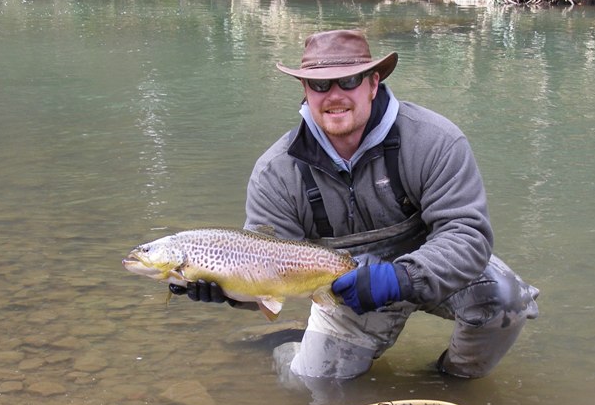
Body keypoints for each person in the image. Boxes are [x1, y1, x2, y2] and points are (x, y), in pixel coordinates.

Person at [174, 29, 539, 380]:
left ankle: (449, 382)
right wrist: (227, 290)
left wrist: (402, 277)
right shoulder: (276, 172)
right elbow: (264, 269)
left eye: (348, 81)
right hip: (345, 293)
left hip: (433, 269)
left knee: (506, 301)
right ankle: (288, 353)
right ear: (305, 90)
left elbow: (468, 236)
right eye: (320, 85)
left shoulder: (435, 141)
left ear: (373, 83)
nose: (334, 95)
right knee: (311, 387)